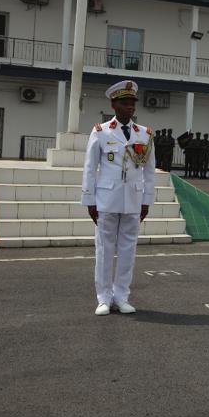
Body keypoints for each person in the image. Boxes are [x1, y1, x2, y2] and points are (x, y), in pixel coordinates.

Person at [82, 80, 156, 316]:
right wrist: (89, 200)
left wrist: (146, 201)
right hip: (106, 199)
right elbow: (90, 167)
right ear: (114, 105)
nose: (130, 107)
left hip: (133, 200)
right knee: (104, 249)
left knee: (127, 250)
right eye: (125, 103)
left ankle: (121, 296)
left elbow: (149, 171)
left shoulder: (144, 134)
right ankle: (103, 298)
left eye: (132, 103)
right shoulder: (101, 132)